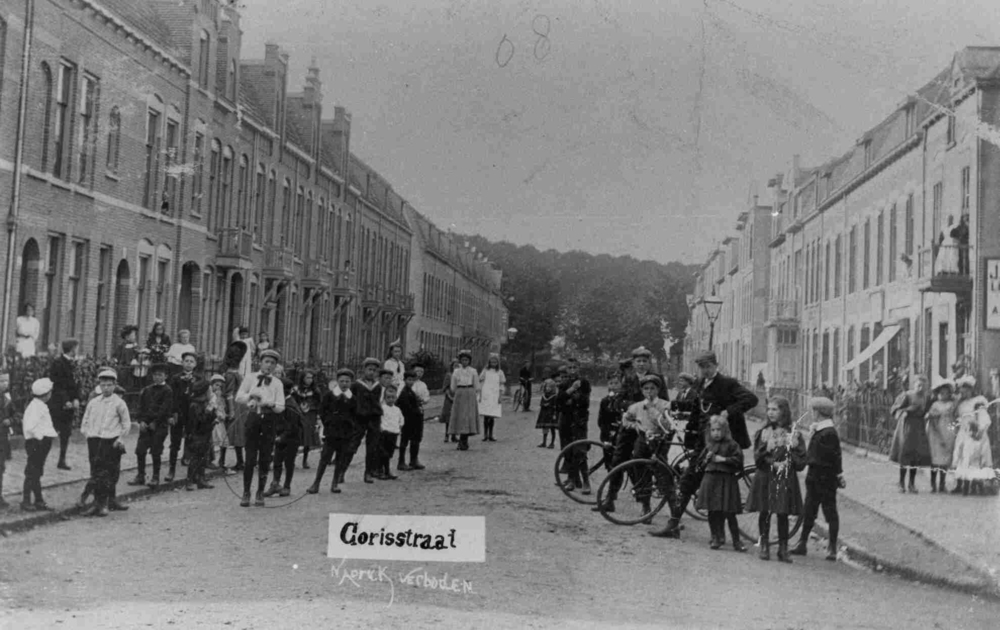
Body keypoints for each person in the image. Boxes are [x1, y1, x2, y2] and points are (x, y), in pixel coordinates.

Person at [650, 350, 757, 539]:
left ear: (716, 365)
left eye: (708, 366)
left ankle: (681, 526)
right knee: (690, 483)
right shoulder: (699, 383)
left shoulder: (727, 383)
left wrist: (728, 411)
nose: (705, 370)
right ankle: (677, 525)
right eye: (702, 367)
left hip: (722, 444)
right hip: (702, 441)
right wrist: (687, 431)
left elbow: (751, 399)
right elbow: (696, 409)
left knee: (693, 483)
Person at [746, 396, 806, 562]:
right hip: (766, 476)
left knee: (782, 513)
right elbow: (758, 458)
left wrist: (790, 454)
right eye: (769, 409)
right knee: (764, 511)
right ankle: (764, 545)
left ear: (783, 411)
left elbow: (802, 461)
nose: (770, 413)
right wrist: (771, 459)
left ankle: (783, 548)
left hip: (784, 478)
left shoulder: (794, 434)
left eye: (775, 409)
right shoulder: (764, 432)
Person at [789, 397, 845, 560]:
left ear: (818, 413)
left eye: (813, 411)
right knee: (809, 511)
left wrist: (838, 475)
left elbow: (833, 457)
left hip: (825, 479)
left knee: (830, 512)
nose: (812, 414)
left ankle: (832, 547)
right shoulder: (821, 430)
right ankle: (802, 543)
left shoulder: (828, 433)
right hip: (815, 478)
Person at [613, 374, 673, 518]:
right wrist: (636, 426)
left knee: (663, 472)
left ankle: (674, 511)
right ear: (642, 390)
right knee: (641, 471)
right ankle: (646, 507)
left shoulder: (665, 405)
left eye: (652, 388)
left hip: (659, 442)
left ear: (658, 390)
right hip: (642, 440)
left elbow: (668, 425)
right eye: (646, 389)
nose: (649, 391)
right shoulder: (636, 406)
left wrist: (653, 411)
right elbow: (626, 419)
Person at [234, 348, 285, 507]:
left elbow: (281, 406)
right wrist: (250, 396)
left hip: (269, 420)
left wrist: (271, 404)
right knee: (250, 458)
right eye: (266, 362)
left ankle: (260, 492)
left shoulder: (277, 383)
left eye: (272, 363)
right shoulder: (250, 377)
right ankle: (246, 493)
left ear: (276, 366)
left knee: (265, 458)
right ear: (260, 363)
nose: (269, 365)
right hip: (253, 419)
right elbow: (238, 397)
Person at [80, 369, 131, 517]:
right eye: (103, 385)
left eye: (109, 385)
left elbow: (126, 423)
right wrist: (88, 434)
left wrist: (120, 439)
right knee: (97, 473)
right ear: (99, 386)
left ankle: (109, 501)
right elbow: (85, 420)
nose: (106, 388)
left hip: (111, 441)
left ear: (114, 385)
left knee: (111, 472)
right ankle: (98, 503)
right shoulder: (94, 402)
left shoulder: (119, 403)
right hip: (95, 441)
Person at [696, 415, 746, 552]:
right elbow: (699, 465)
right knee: (712, 511)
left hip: (726, 480)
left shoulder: (732, 445)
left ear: (725, 430)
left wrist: (723, 459)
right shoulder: (709, 446)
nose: (716, 433)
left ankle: (736, 541)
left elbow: (739, 462)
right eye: (713, 430)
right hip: (711, 480)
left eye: (719, 430)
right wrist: (706, 460)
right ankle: (715, 537)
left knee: (729, 513)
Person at [309, 369, 358, 494]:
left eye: (347, 381)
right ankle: (316, 483)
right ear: (337, 381)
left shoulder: (352, 398)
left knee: (340, 458)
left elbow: (355, 415)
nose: (344, 384)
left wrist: (350, 425)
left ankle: (334, 483)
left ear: (351, 382)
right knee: (325, 458)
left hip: (345, 433)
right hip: (331, 432)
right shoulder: (329, 395)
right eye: (342, 381)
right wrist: (329, 422)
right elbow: (322, 411)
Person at [127, 363, 174, 488]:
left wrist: (156, 422)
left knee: (156, 451)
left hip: (159, 425)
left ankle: (155, 477)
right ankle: (140, 475)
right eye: (155, 375)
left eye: (160, 375)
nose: (157, 377)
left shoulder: (167, 391)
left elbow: (165, 409)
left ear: (165, 376)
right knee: (140, 450)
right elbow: (141, 407)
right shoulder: (147, 390)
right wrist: (141, 421)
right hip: (146, 425)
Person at [889, 374, 932, 493]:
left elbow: (926, 411)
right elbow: (895, 409)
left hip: (919, 427)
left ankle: (912, 484)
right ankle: (901, 482)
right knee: (905, 455)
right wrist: (906, 411)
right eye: (919, 385)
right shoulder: (907, 395)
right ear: (914, 385)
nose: (921, 388)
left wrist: (927, 414)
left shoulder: (925, 397)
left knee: (915, 457)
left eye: (924, 386)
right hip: (907, 426)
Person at [952, 375, 994, 496]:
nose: (964, 393)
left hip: (976, 433)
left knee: (976, 459)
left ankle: (977, 485)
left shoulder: (978, 401)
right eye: (962, 390)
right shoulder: (960, 404)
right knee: (961, 457)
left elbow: (984, 417)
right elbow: (958, 418)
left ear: (971, 389)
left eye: (966, 390)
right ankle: (960, 484)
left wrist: (979, 431)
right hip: (964, 432)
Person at [21, 378, 57, 511]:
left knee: (36, 472)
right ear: (46, 394)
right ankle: (26, 501)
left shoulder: (39, 405)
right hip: (37, 443)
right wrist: (40, 438)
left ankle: (38, 500)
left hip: (41, 443)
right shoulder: (36, 407)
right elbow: (30, 426)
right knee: (32, 472)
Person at [265, 378, 303, 497]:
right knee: (277, 461)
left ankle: (287, 486)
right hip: (280, 436)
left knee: (289, 463)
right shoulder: (280, 402)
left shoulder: (291, 405)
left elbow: (293, 426)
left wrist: (281, 436)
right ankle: (275, 484)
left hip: (291, 438)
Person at [167, 352, 202, 479]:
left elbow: (201, 396)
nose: (188, 363)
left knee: (191, 441)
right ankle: (171, 470)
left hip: (192, 414)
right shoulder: (175, 378)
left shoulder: (199, 378)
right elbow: (171, 397)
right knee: (174, 442)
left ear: (195, 364)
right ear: (182, 363)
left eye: (191, 361)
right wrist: (172, 413)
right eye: (186, 361)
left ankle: (190, 473)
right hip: (178, 413)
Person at [48, 338, 81, 471]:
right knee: (50, 431)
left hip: (70, 405)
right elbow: (57, 384)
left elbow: (76, 384)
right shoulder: (58, 363)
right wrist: (65, 400)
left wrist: (76, 398)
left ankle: (61, 460)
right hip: (58, 404)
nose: (77, 350)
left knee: (66, 433)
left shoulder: (74, 363)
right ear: (72, 349)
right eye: (76, 347)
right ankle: (39, 457)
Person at [351, 358, 385, 483]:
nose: (371, 372)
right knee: (352, 445)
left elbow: (377, 402)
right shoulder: (356, 385)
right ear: (364, 370)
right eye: (369, 369)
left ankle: (368, 472)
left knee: (372, 446)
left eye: (374, 370)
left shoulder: (378, 386)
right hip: (360, 418)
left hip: (374, 418)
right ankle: (341, 471)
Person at [924, 378, 957, 493]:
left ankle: (942, 484)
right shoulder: (935, 405)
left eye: (946, 393)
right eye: (941, 393)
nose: (943, 395)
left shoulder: (951, 404)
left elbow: (955, 415)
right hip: (936, 432)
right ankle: (933, 484)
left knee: (945, 460)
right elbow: (931, 421)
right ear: (937, 394)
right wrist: (937, 434)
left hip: (948, 431)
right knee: (935, 459)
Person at [185, 379, 218, 491]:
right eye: (209, 391)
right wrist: (209, 412)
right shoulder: (195, 405)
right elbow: (200, 421)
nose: (211, 393)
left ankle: (201, 479)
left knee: (203, 457)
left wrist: (214, 417)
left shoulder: (204, 403)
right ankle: (190, 480)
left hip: (205, 434)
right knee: (195, 458)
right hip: (197, 435)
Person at [222, 341, 248, 471]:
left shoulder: (232, 373)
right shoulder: (232, 374)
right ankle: (237, 460)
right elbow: (230, 393)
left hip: (237, 405)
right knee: (232, 433)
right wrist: (232, 410)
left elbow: (232, 392)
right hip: (235, 405)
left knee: (234, 433)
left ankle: (238, 461)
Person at [450, 350, 481, 451]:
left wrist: (475, 394)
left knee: (468, 416)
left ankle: (464, 440)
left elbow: (477, 385)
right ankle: (461, 440)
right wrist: (456, 392)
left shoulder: (473, 371)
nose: (464, 362)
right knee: (460, 416)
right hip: (460, 392)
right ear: (460, 361)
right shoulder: (456, 372)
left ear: (469, 361)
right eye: (463, 360)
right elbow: (453, 386)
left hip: (470, 392)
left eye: (466, 360)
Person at [293, 370, 321, 469]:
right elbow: (294, 401)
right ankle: (292, 460)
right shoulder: (296, 390)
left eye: (311, 378)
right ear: (302, 378)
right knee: (297, 435)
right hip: (299, 414)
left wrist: (317, 416)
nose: (310, 380)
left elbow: (318, 404)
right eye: (307, 378)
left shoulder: (315, 391)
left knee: (307, 437)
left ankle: (305, 460)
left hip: (310, 415)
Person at [397, 371, 424, 471]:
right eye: (409, 380)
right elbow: (406, 407)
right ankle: (401, 462)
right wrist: (417, 410)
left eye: (413, 380)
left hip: (414, 420)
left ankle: (413, 460)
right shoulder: (404, 393)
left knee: (415, 440)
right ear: (404, 380)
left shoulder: (411, 391)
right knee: (404, 441)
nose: (411, 382)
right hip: (408, 420)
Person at [479, 353, 505, 442]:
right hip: (486, 394)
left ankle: (491, 434)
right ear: (489, 362)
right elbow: (481, 381)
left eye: (495, 362)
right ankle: (485, 434)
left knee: (492, 416)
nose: (493, 364)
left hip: (495, 395)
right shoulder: (485, 371)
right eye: (492, 362)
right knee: (486, 415)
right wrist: (480, 394)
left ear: (497, 363)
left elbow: (501, 385)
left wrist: (500, 396)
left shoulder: (500, 372)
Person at [380, 385, 403, 480]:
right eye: (388, 397)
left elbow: (401, 420)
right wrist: (381, 428)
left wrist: (399, 426)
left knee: (390, 453)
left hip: (394, 433)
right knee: (383, 453)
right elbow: (380, 420)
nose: (390, 399)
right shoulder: (382, 408)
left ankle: (387, 470)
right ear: (384, 398)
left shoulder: (397, 409)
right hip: (385, 433)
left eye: (393, 397)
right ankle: (381, 471)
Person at [209, 374, 230, 471]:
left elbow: (222, 408)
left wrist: (223, 415)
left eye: (220, 386)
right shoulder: (210, 395)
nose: (218, 387)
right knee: (211, 441)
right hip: (213, 421)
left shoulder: (220, 397)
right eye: (216, 385)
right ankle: (209, 461)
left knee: (223, 440)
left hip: (220, 422)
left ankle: (222, 461)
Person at [114, 326, 140, 391]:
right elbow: (117, 357)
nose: (135, 337)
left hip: (133, 372)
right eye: (133, 335)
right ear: (127, 336)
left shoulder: (135, 347)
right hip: (123, 371)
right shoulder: (121, 347)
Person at [535, 378, 560, 448]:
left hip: (551, 414)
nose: (547, 388)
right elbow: (541, 403)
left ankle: (552, 443)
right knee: (545, 428)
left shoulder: (554, 396)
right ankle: (544, 442)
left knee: (552, 428)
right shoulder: (544, 395)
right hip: (544, 414)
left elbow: (555, 405)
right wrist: (543, 405)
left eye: (549, 387)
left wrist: (551, 407)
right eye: (546, 387)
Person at [0, 371, 12, 508]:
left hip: (3, 439)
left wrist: (11, 420)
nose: (5, 384)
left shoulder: (7, 398)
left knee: (1, 468)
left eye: (6, 381)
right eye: (2, 381)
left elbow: (15, 414)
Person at [441, 359, 459, 443]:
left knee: (456, 417)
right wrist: (450, 397)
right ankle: (446, 435)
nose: (456, 367)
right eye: (455, 365)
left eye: (458, 366)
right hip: (450, 399)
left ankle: (454, 436)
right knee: (449, 418)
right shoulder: (449, 375)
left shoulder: (460, 375)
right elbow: (445, 387)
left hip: (458, 398)